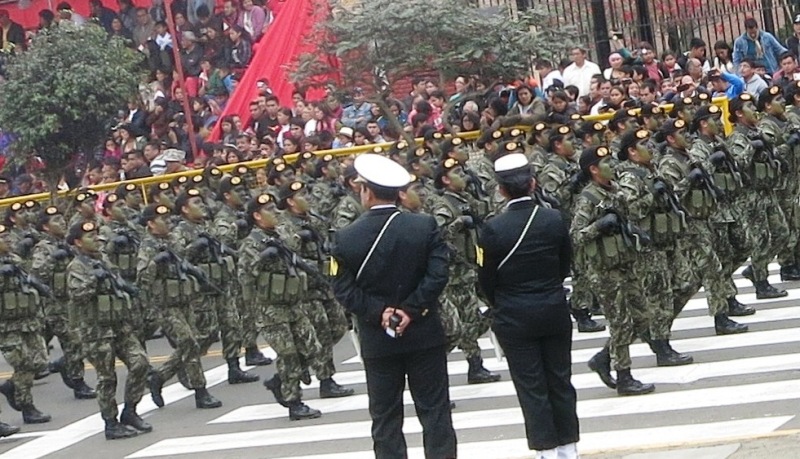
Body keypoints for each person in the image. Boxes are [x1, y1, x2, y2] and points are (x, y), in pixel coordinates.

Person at [331, 154, 456, 459]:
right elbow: (438, 274)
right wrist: (411, 310)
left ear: (367, 193)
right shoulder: (424, 225)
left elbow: (342, 288)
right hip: (423, 331)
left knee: (386, 418)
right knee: (435, 411)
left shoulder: (345, 237)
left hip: (378, 337)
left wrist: (379, 312)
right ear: (398, 192)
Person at [477, 152, 579, 459]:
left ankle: (545, 451)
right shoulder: (553, 218)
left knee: (531, 386)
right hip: (552, 308)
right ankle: (569, 447)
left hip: (514, 314)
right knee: (560, 380)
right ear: (533, 182)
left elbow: (485, 280)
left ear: (501, 190)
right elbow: (564, 265)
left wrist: (502, 303)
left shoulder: (492, 229)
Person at [66, 221, 151, 440]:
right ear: (77, 242)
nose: (95, 238)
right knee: (107, 377)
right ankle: (111, 423)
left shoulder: (103, 259)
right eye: (89, 236)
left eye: (96, 234)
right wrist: (95, 279)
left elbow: (117, 284)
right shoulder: (76, 266)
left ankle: (130, 410)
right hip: (95, 330)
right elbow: (77, 296)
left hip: (119, 324)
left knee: (140, 362)